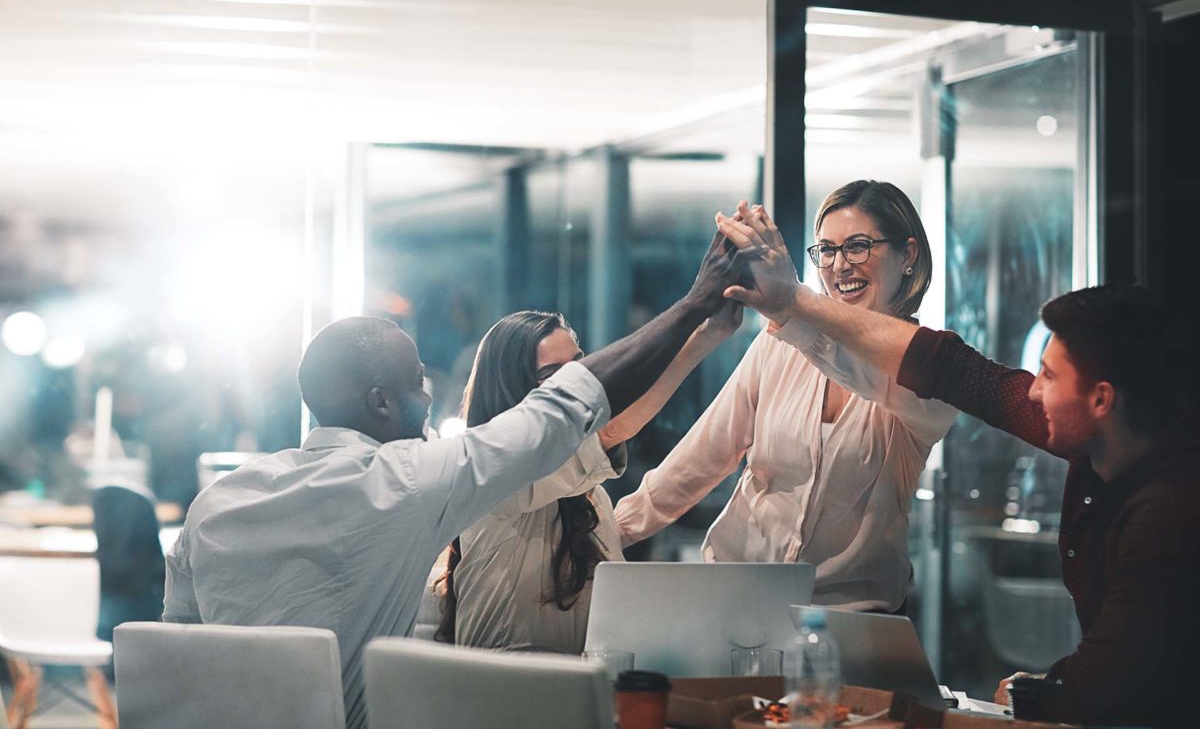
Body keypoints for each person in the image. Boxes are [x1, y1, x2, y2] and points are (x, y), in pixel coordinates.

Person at [162, 232, 746, 729]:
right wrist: (694, 304)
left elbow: (179, 643)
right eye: (418, 382)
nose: (431, 394)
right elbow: (563, 413)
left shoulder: (217, 501)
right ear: (381, 403)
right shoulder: (405, 483)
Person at [716, 202, 1198, 729]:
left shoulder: (1170, 512)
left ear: (1103, 400)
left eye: (1049, 376)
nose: (1034, 390)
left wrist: (918, 720)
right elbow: (966, 375)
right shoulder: (1106, 458)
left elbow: (1110, 682)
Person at [614, 181, 958, 613]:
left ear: (907, 256)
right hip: (735, 597)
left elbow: (867, 371)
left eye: (857, 247)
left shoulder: (937, 368)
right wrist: (608, 535)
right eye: (827, 250)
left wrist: (791, 305)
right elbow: (702, 456)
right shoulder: (779, 345)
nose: (839, 266)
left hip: (852, 622)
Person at [440, 304, 740, 653]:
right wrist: (700, 337)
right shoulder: (489, 472)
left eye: (579, 368)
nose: (576, 387)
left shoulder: (589, 496)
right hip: (499, 690)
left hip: (572, 688)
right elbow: (611, 431)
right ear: (510, 390)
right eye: (554, 375)